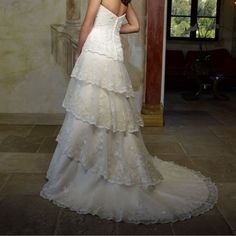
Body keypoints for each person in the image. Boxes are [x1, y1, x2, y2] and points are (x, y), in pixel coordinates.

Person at [40, 0, 218, 224]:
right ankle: (104, 163)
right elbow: (135, 26)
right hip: (113, 52)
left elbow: (86, 24)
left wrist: (79, 51)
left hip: (96, 50)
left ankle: (81, 171)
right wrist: (113, 28)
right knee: (111, 108)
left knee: (88, 108)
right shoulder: (126, 0)